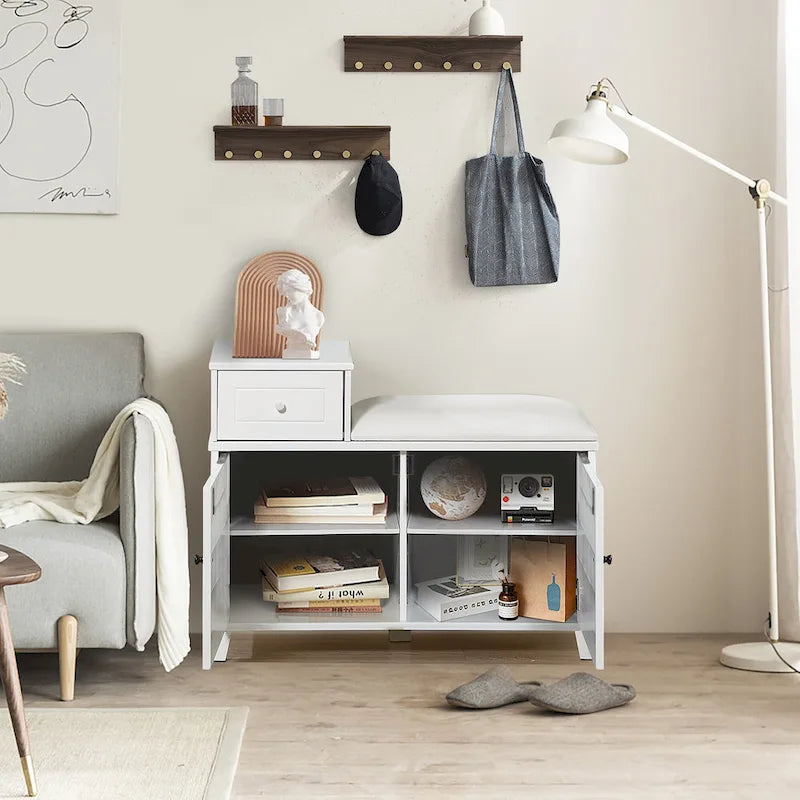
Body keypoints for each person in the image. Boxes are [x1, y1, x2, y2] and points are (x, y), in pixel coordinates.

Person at [275, 269, 324, 359]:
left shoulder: (318, 316)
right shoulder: (282, 313)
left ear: (302, 288)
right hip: (290, 352)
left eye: (289, 291)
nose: (287, 295)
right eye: (285, 292)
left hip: (309, 355)